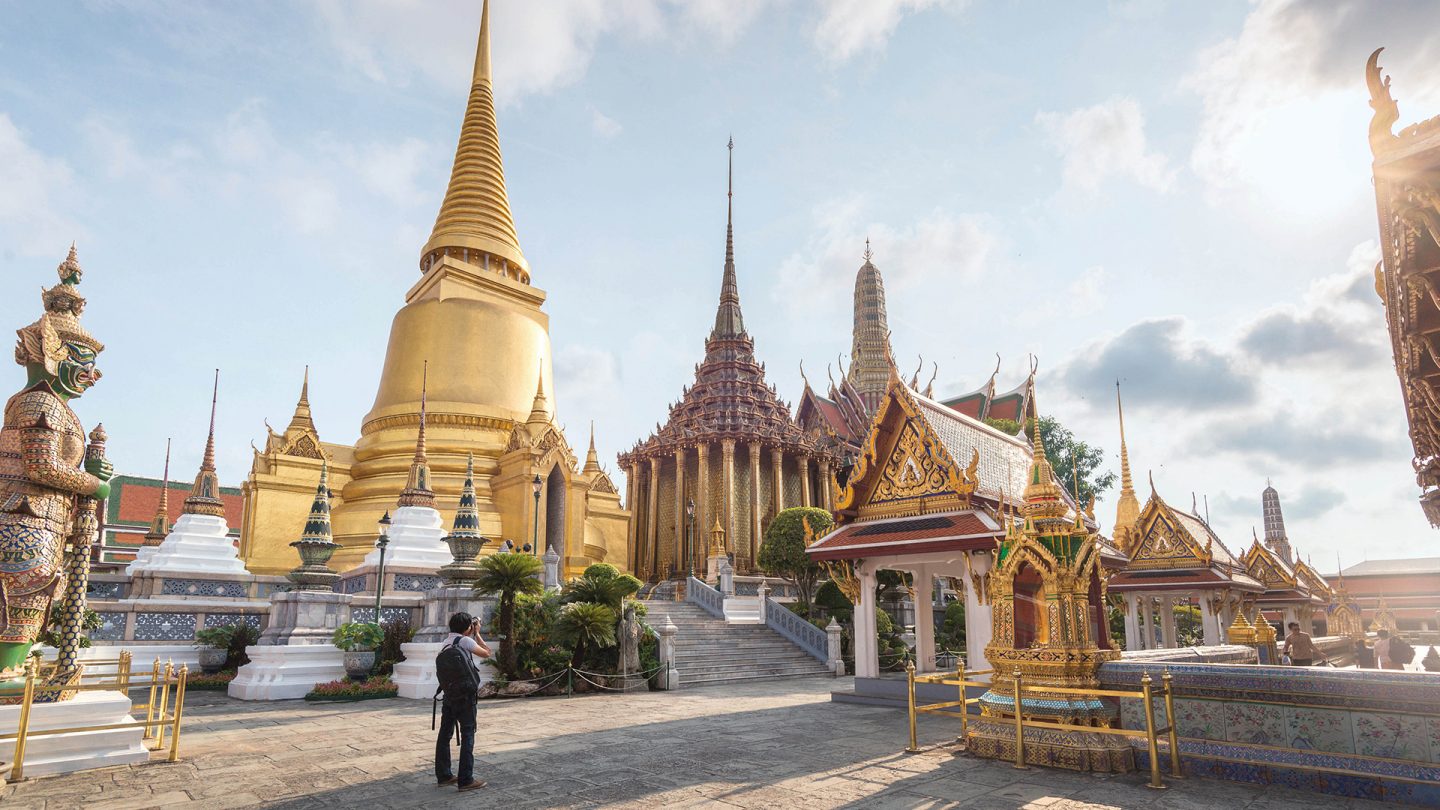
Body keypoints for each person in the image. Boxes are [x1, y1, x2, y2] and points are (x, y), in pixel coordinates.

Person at [436, 612, 492, 791]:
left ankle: (444, 775)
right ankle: (466, 779)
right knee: (468, 733)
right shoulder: (466, 641)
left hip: (449, 695)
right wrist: (478, 634)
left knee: (445, 735)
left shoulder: (446, 642)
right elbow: (487, 654)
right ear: (468, 627)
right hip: (466, 697)